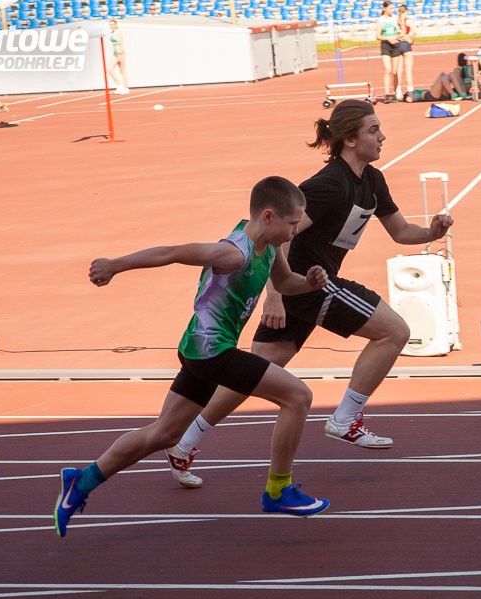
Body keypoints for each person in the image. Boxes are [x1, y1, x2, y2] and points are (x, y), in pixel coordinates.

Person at [164, 99, 454, 488]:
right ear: (350, 139)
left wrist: (432, 232)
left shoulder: (372, 181)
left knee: (252, 372)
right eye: (373, 130)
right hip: (308, 283)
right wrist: (276, 295)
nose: (383, 136)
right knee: (394, 331)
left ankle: (183, 443)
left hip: (306, 287)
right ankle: (345, 418)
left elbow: (401, 232)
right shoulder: (329, 184)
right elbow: (279, 236)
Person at [54, 176, 331, 537]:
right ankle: (279, 490)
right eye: (292, 224)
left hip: (199, 351)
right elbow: (172, 252)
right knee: (298, 396)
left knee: (164, 433)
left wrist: (309, 283)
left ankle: (81, 481)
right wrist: (115, 265)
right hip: (212, 351)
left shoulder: (270, 246)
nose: (295, 231)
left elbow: (284, 283)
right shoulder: (233, 253)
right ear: (268, 216)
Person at [376, 1, 401, 103]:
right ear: (385, 9)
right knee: (388, 69)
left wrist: (398, 35)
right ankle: (386, 94)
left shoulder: (395, 18)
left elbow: (400, 31)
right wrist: (388, 39)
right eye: (390, 8)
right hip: (386, 45)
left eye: (392, 8)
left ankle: (394, 93)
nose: (392, 10)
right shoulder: (381, 20)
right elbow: (378, 36)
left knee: (395, 71)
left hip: (395, 45)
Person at [396, 4, 417, 101]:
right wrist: (411, 40)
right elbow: (415, 32)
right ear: (406, 11)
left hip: (397, 44)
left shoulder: (396, 21)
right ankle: (410, 91)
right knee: (408, 70)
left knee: (398, 70)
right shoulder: (408, 21)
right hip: (406, 44)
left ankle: (398, 91)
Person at [107, 19, 130, 95]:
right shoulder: (111, 33)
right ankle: (120, 85)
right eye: (110, 24)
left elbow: (121, 43)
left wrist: (119, 54)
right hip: (115, 53)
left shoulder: (118, 32)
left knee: (122, 70)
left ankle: (125, 87)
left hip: (120, 53)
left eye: (112, 24)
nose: (111, 26)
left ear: (116, 25)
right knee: (109, 69)